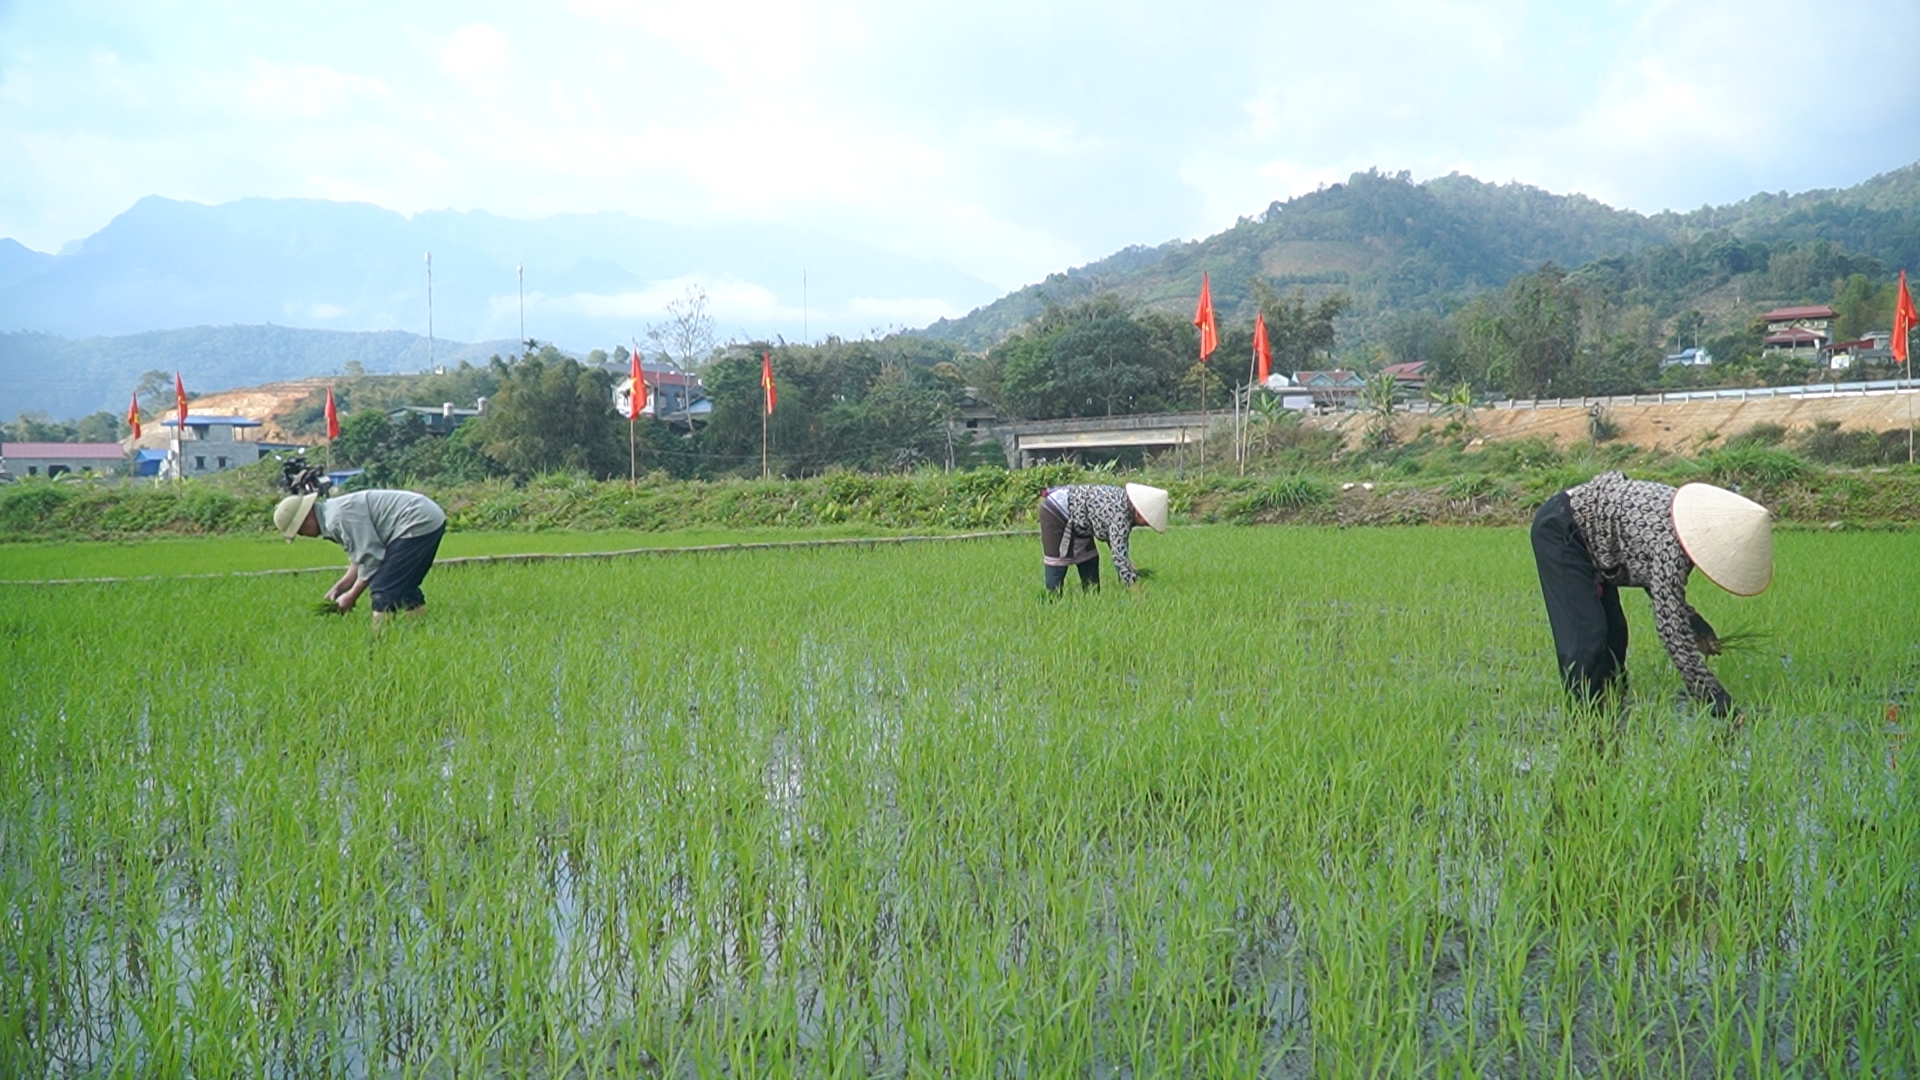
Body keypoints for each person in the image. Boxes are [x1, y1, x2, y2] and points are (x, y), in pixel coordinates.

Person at [1531, 471, 1771, 717]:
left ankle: (1613, 708)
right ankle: (1582, 720)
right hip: (1562, 530)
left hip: (1596, 537)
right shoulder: (1672, 545)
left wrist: (1692, 619)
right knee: (1588, 638)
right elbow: (1671, 631)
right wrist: (1715, 698)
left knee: (1615, 635)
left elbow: (1652, 572)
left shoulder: (1682, 522)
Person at [274, 488, 447, 623]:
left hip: (416, 519)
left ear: (306, 519)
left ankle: (380, 641)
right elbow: (359, 559)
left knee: (383, 588)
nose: (304, 535)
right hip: (426, 516)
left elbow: (372, 559)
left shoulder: (337, 519)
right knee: (404, 586)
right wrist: (339, 588)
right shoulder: (331, 515)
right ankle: (417, 629)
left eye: (300, 531)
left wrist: (351, 596)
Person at [1038, 482, 1168, 593]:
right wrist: (1135, 589)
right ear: (1139, 513)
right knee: (1058, 561)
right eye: (1146, 522)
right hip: (1058, 511)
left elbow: (1116, 542)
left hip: (1080, 520)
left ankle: (1091, 600)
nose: (1145, 525)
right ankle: (1052, 600)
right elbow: (1118, 556)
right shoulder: (1121, 515)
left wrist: (1126, 562)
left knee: (1089, 559)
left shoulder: (1124, 502)